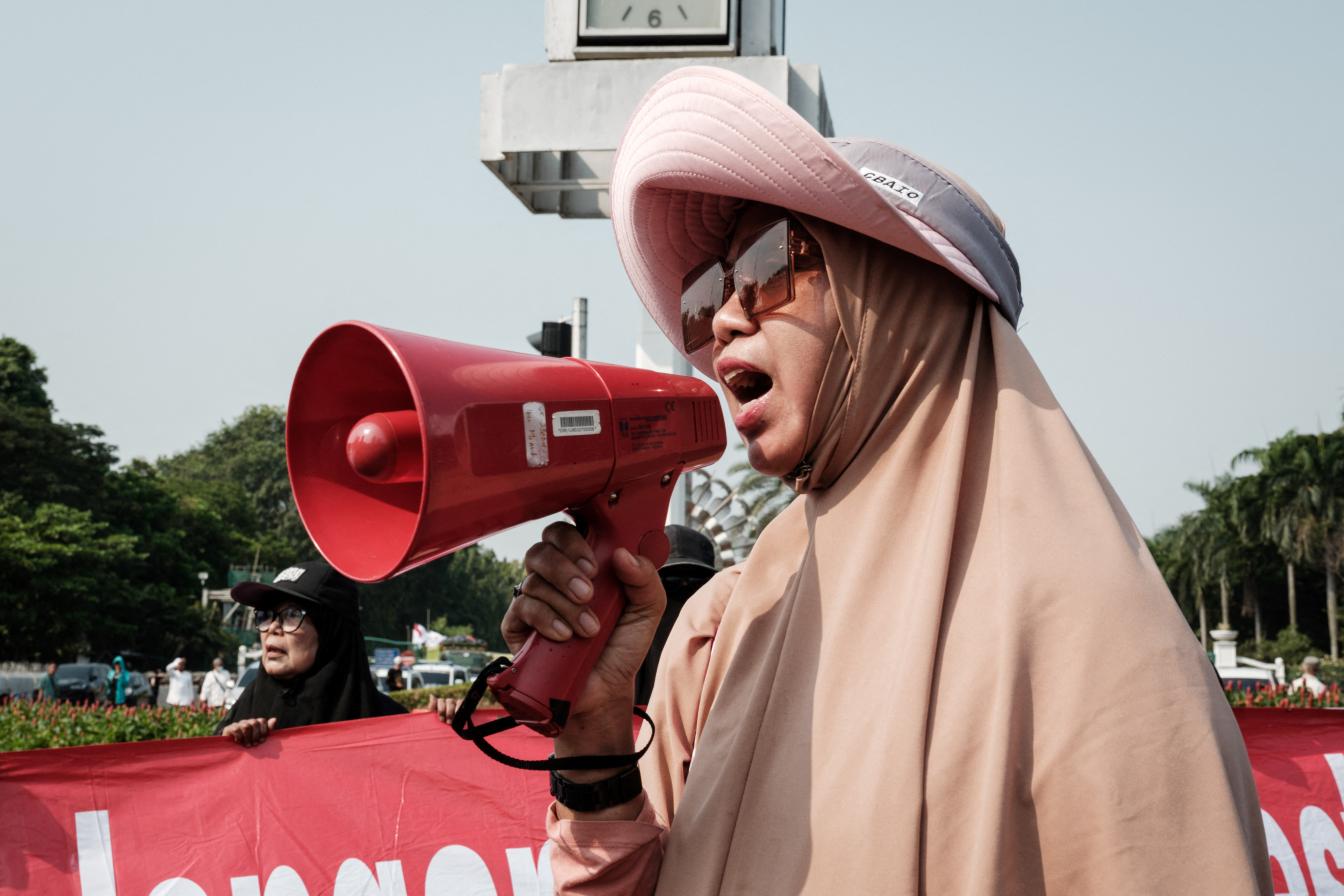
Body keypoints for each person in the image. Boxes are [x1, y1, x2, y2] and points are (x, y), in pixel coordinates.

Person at [507, 68, 1271, 893]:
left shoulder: (1090, 641)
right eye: (712, 291)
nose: (726, 317)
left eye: (769, 263)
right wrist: (594, 737)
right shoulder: (725, 628)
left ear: (899, 306)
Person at [218, 560, 405, 746]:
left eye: (292, 614)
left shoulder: (393, 727)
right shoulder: (247, 707)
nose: (273, 627)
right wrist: (226, 745)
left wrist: (433, 737)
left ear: (331, 633)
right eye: (265, 614)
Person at [634, 525, 718, 706]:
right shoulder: (626, 640)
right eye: (671, 581)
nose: (684, 588)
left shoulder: (728, 634)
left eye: (696, 582)